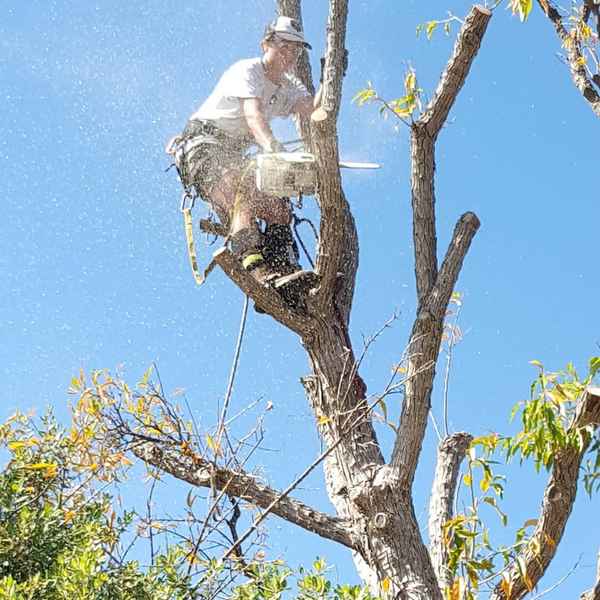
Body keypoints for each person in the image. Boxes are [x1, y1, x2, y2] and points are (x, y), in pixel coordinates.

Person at [170, 17, 323, 297]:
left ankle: (285, 270)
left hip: (234, 153)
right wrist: (272, 147)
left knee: (278, 207)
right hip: (204, 145)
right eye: (284, 47)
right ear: (267, 44)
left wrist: (331, 77)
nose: (290, 55)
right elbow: (253, 116)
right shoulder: (249, 70)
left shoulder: (288, 86)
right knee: (241, 195)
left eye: (296, 50)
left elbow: (312, 108)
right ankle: (258, 273)